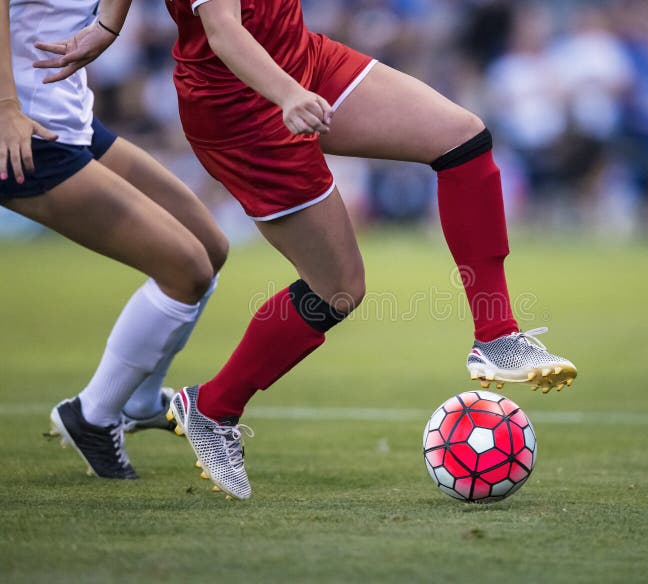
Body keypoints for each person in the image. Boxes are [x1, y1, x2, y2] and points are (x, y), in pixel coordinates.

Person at [38, 0, 577, 500]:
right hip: (243, 107)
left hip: (297, 55)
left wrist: (108, 24)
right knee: (338, 288)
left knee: (461, 138)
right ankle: (211, 408)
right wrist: (288, 95)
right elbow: (223, 30)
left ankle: (498, 336)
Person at [2, 0, 228, 479]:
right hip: (23, 135)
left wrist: (108, 23)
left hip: (71, 122)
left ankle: (141, 402)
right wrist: (4, 108)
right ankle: (93, 415)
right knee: (187, 270)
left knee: (209, 245)